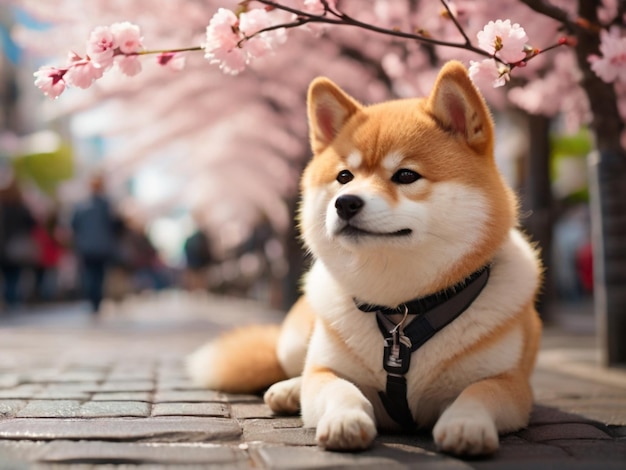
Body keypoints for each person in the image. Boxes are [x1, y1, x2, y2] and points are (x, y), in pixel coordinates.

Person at [70, 173, 119, 313]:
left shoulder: (80, 205)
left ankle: (92, 299)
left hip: (86, 246)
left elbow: (74, 224)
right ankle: (96, 301)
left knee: (89, 274)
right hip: (103, 246)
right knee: (99, 275)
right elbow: (115, 225)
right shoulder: (107, 205)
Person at [0, 175, 36, 310]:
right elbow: (32, 223)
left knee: (7, 274)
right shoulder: (21, 207)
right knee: (14, 275)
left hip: (3, 245)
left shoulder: (3, 207)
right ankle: (13, 300)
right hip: (16, 245)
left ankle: (9, 299)